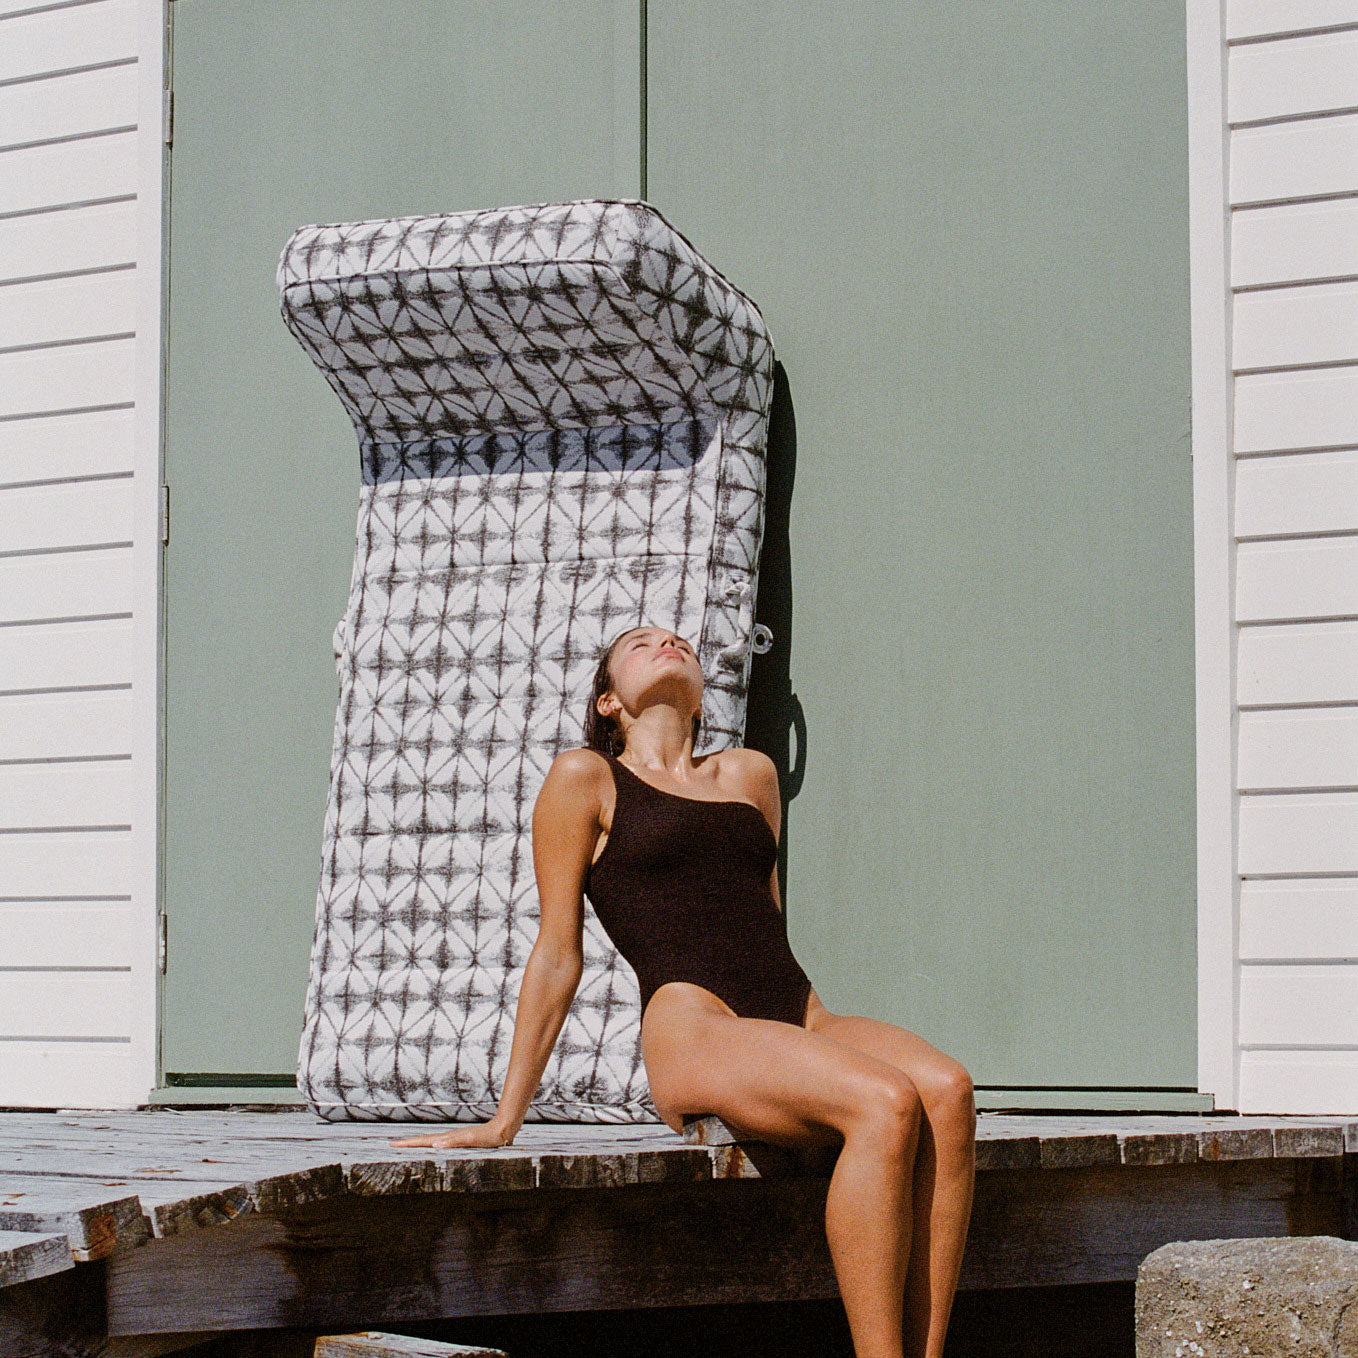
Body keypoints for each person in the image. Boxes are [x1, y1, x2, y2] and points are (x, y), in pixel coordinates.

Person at [392, 623, 976, 1358]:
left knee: (948, 1092)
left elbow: (762, 921)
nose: (667, 642)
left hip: (796, 1012)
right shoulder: (586, 778)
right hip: (695, 1023)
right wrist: (506, 1117)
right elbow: (555, 954)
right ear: (608, 700)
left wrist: (802, 1042)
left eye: (679, 642)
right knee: (885, 1101)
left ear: (703, 698)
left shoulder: (751, 775)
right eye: (640, 643)